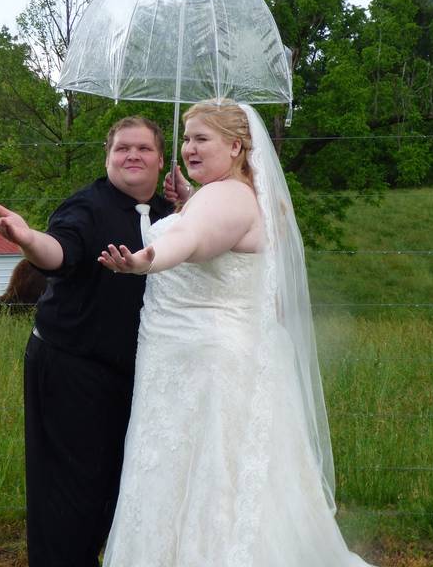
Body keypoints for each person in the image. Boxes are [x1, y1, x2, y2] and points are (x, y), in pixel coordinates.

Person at [98, 101, 373, 565]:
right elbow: (207, 231)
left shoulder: (223, 198)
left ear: (236, 145)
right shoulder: (235, 193)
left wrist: (147, 260)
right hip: (207, 359)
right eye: (186, 139)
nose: (188, 148)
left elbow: (192, 242)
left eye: (201, 139)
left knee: (207, 482)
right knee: (227, 477)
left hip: (201, 370)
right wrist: (188, 200)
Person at [0, 116, 174, 567]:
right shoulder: (86, 207)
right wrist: (30, 239)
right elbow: (61, 251)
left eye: (143, 149)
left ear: (161, 160)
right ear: (107, 157)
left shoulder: (172, 214)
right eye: (122, 148)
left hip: (137, 372)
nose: (132, 156)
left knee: (120, 487)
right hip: (72, 366)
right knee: (69, 495)